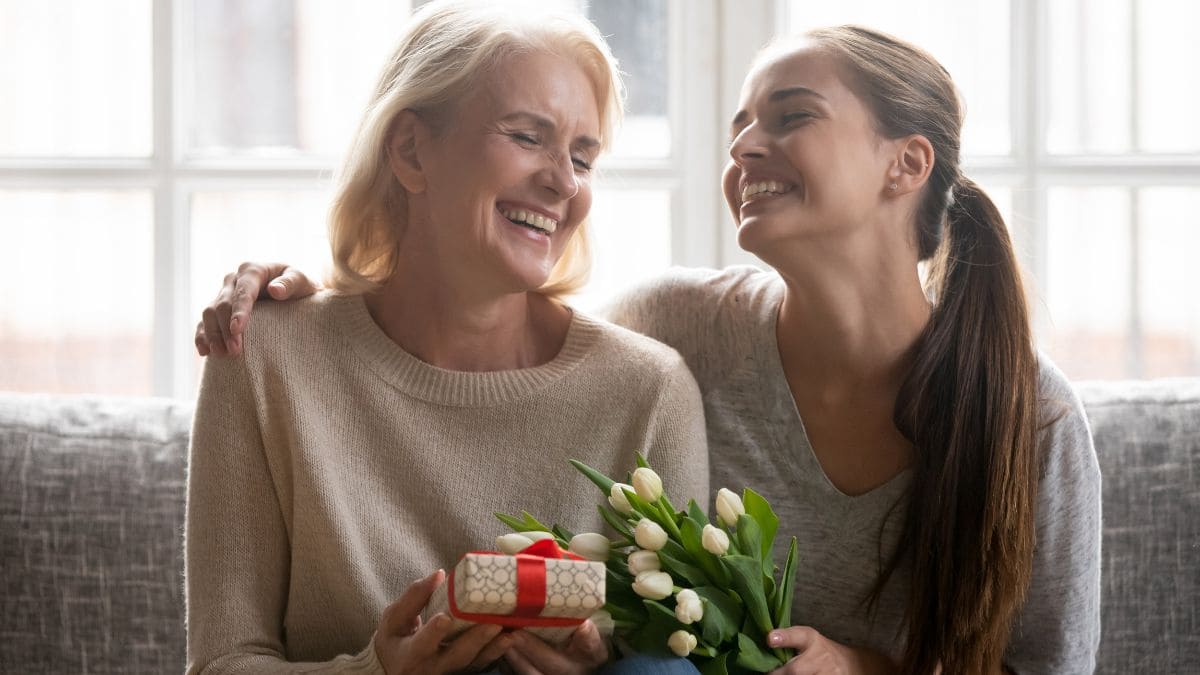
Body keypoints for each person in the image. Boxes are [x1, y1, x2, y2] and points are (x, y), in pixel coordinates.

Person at [196, 25, 1101, 675]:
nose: (744, 145)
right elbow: (470, 306)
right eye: (742, 122)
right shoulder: (677, 332)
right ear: (409, 147)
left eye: (790, 116)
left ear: (906, 165)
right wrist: (295, 293)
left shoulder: (1032, 417)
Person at [184, 2, 710, 674]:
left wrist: (601, 664)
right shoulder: (264, 357)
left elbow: (675, 650)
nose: (564, 181)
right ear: (410, 150)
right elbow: (224, 661)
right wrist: (378, 671)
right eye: (527, 136)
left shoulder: (648, 389)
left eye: (582, 155)